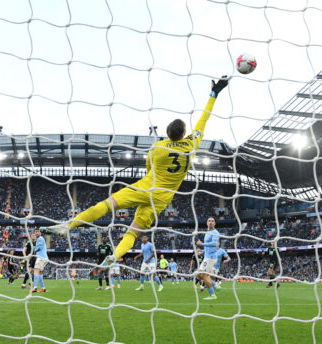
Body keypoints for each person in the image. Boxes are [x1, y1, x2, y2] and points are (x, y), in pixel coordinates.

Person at [47, 77, 230, 268]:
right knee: (132, 233)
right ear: (184, 133)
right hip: (161, 199)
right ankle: (114, 257)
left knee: (107, 205)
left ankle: (68, 225)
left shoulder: (158, 147)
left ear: (168, 134)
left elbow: (149, 166)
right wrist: (214, 93)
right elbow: (204, 119)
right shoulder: (191, 144)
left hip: (145, 187)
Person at [196, 217, 220, 300]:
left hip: (211, 258)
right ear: (207, 223)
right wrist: (202, 252)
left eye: (212, 221)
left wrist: (202, 244)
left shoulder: (215, 232)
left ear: (214, 223)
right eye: (209, 221)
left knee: (204, 275)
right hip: (207, 257)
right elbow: (208, 247)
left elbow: (214, 244)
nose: (210, 222)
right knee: (199, 274)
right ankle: (215, 285)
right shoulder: (207, 232)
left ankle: (213, 295)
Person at [32, 228, 48, 293]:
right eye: (36, 232)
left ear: (40, 233)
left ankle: (35, 287)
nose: (37, 233)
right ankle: (43, 288)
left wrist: (33, 249)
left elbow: (39, 248)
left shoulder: (40, 239)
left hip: (41, 258)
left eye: (38, 231)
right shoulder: (39, 239)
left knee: (36, 271)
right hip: (43, 258)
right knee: (39, 274)